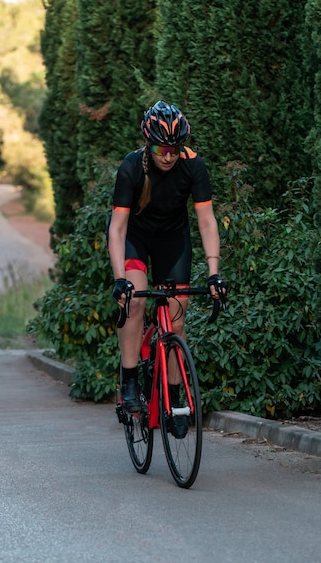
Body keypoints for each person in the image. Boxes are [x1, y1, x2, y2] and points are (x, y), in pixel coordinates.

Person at [107, 100, 226, 419]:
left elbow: (207, 220)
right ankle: (130, 379)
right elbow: (117, 229)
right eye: (162, 150)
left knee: (176, 318)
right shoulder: (132, 167)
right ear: (150, 145)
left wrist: (214, 273)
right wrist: (120, 279)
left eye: (175, 148)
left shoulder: (193, 164)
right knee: (134, 300)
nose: (169, 156)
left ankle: (175, 397)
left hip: (173, 240)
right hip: (136, 239)